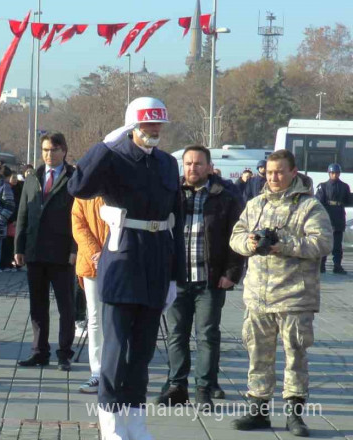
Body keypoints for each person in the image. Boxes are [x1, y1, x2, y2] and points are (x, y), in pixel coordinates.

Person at [68, 97, 184, 438]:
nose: (154, 132)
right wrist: (104, 145)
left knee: (144, 350)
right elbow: (78, 186)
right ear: (133, 127)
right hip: (123, 257)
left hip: (157, 259)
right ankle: (111, 424)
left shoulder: (166, 163)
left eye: (158, 126)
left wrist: (175, 275)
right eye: (148, 126)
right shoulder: (114, 159)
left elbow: (174, 216)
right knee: (116, 349)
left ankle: (135, 421)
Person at [229, 150, 332, 437]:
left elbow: (322, 243)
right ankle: (258, 410)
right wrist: (249, 243)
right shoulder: (255, 204)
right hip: (258, 297)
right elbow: (235, 237)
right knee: (258, 356)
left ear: (293, 172)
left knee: (295, 356)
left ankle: (294, 415)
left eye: (280, 172)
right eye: (270, 172)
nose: (274, 177)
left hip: (295, 297)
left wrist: (284, 244)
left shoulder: (309, 206)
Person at [157, 145, 245, 410]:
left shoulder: (226, 195)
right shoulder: (170, 193)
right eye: (187, 164)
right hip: (177, 279)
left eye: (198, 164)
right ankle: (177, 385)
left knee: (207, 335)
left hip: (210, 279)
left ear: (208, 166)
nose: (192, 168)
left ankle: (204, 387)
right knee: (176, 334)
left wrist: (231, 273)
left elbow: (237, 236)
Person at [15, 133, 78, 371]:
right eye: (44, 150)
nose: (48, 154)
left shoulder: (73, 178)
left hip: (63, 254)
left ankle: (64, 353)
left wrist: (75, 249)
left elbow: (79, 217)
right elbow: (23, 213)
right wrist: (19, 247)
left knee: (66, 307)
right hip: (35, 252)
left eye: (53, 150)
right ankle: (39, 352)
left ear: (64, 150)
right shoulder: (33, 177)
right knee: (37, 306)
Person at [71, 196, 109, 393]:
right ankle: (97, 372)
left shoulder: (120, 187)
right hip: (90, 262)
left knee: (118, 318)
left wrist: (109, 253)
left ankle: (116, 371)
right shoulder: (83, 195)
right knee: (94, 318)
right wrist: (96, 252)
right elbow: (78, 225)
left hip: (118, 261)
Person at [315, 163, 352, 274]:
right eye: (332, 173)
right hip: (327, 215)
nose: (334, 175)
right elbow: (318, 201)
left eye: (336, 173)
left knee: (337, 244)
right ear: (329, 173)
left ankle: (337, 266)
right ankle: (321, 265)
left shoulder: (344, 186)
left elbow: (348, 200)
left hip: (339, 215)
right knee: (325, 242)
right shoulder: (323, 186)